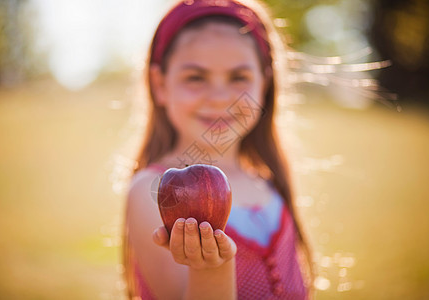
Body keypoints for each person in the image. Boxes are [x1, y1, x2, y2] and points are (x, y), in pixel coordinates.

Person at [122, 0, 315, 299]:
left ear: (264, 82)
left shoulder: (268, 183)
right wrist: (210, 268)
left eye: (239, 77)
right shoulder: (153, 191)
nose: (219, 97)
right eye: (195, 78)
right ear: (159, 85)